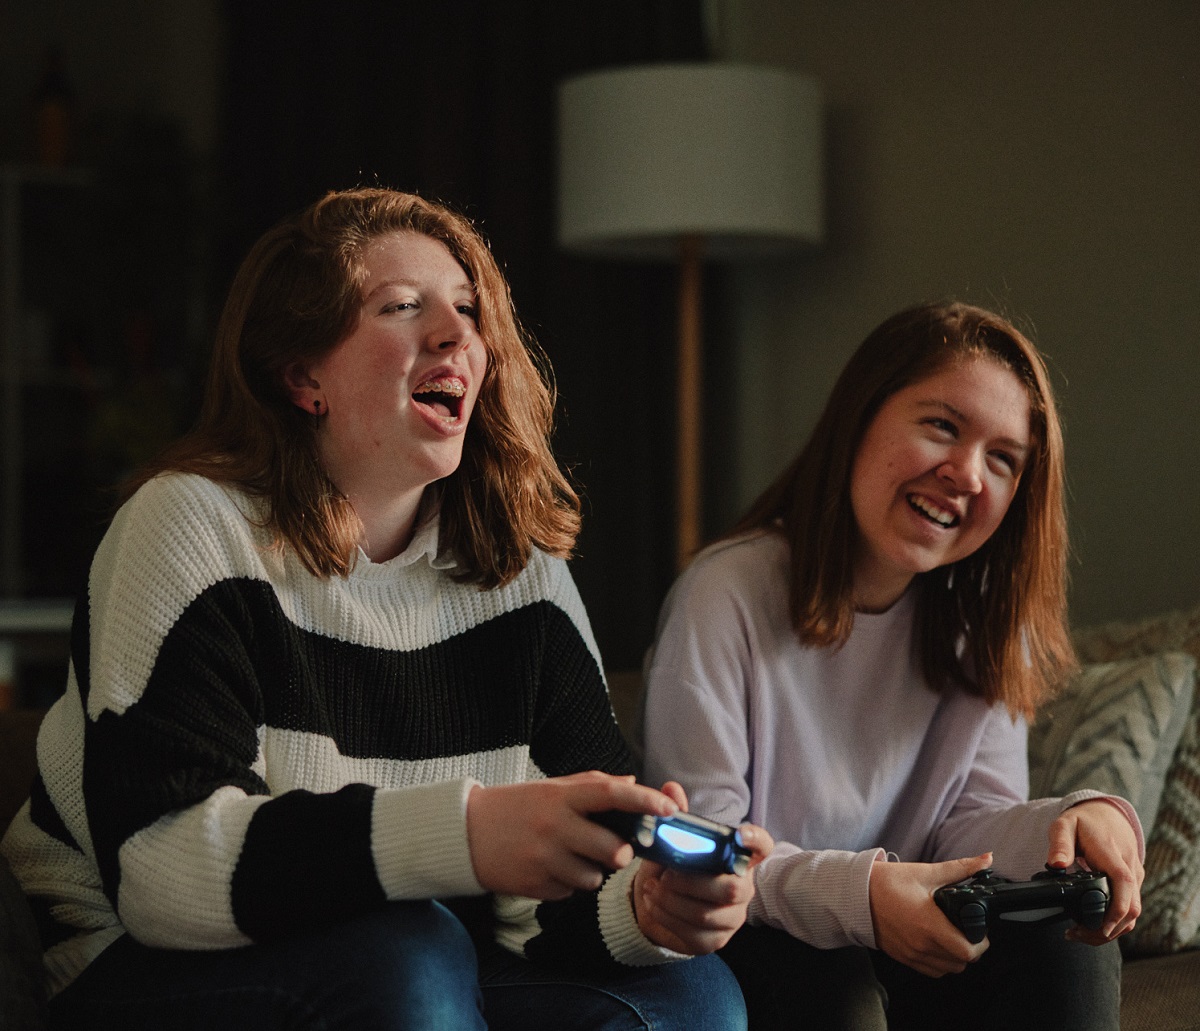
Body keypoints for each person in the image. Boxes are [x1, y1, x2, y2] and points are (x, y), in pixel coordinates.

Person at [0, 187, 771, 1031]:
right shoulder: (189, 523)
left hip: (429, 957)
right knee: (410, 953)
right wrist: (469, 833)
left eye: (468, 309)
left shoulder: (522, 571)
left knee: (694, 994)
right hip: (132, 963)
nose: (456, 334)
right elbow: (161, 868)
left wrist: (651, 906)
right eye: (401, 306)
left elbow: (546, 905)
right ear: (302, 376)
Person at [641, 302, 1144, 1031]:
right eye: (942, 425)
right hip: (766, 945)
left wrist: (1079, 819)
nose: (967, 473)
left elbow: (968, 832)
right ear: (859, 418)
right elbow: (707, 853)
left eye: (1003, 459)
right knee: (830, 976)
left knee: (1070, 944)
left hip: (920, 949)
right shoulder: (725, 594)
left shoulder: (982, 627)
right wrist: (866, 899)